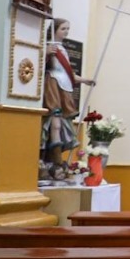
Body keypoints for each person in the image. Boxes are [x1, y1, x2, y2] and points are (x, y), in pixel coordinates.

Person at [41, 18, 94, 175]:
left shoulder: (62, 49)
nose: (66, 32)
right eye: (63, 28)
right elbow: (37, 64)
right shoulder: (48, 46)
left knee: (62, 125)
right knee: (54, 124)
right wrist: (45, 53)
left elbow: (68, 73)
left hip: (64, 88)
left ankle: (56, 161)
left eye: (67, 29)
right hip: (52, 85)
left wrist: (85, 80)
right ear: (55, 30)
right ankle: (55, 161)